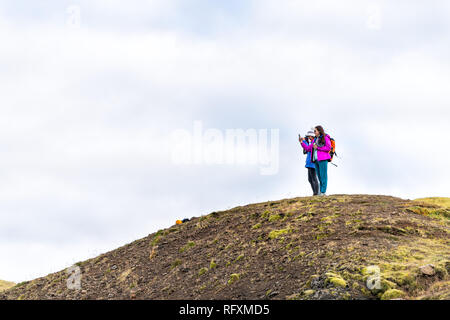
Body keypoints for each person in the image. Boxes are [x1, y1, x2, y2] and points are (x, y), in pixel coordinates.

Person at [299, 125, 331, 196]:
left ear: (319, 131)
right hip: (316, 160)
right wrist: (301, 142)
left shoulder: (325, 137)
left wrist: (318, 148)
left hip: (323, 159)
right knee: (319, 176)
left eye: (315, 131)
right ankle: (321, 192)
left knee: (323, 176)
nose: (314, 132)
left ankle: (323, 192)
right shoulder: (315, 139)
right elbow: (307, 148)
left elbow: (328, 148)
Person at [300, 130, 319, 196]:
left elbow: (308, 148)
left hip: (312, 163)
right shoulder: (312, 142)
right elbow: (307, 148)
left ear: (311, 136)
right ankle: (315, 193)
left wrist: (302, 142)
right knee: (310, 179)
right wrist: (303, 141)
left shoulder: (314, 142)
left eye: (308, 136)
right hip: (310, 163)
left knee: (313, 178)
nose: (308, 137)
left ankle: (316, 193)